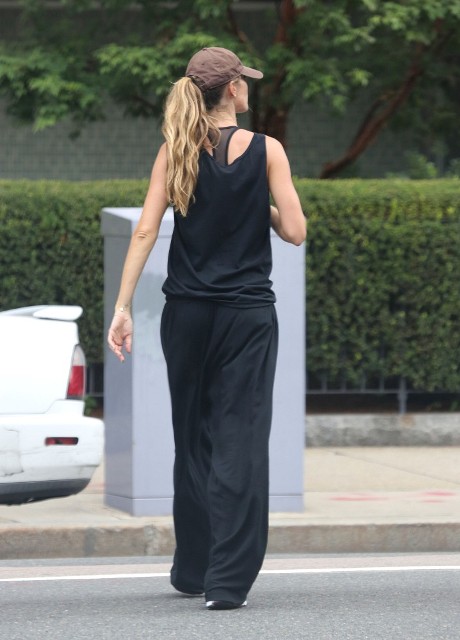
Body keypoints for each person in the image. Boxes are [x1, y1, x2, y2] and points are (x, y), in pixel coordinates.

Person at [107, 46, 306, 610]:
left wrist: (122, 308)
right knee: (239, 438)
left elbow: (145, 232)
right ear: (234, 89)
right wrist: (259, 203)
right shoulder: (267, 150)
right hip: (246, 317)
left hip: (186, 315)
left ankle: (193, 568)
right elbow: (295, 231)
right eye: (245, 81)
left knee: (192, 437)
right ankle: (227, 582)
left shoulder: (176, 151)